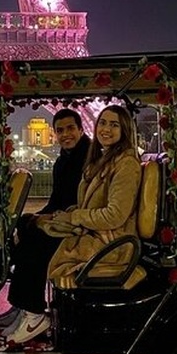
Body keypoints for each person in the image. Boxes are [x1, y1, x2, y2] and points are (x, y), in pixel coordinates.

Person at [0, 109, 91, 344]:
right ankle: (22, 304)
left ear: (81, 129)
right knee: (24, 227)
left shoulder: (89, 159)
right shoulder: (64, 160)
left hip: (79, 225)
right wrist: (36, 217)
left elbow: (80, 202)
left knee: (35, 244)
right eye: (60, 130)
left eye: (70, 128)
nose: (66, 134)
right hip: (64, 220)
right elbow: (57, 200)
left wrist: (49, 218)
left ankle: (33, 311)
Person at [47, 105, 143, 286]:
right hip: (98, 234)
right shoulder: (103, 161)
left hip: (110, 243)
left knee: (40, 245)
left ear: (124, 130)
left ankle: (32, 303)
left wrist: (74, 217)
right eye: (103, 123)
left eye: (114, 125)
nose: (106, 129)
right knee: (38, 237)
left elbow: (115, 215)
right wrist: (69, 214)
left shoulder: (126, 165)